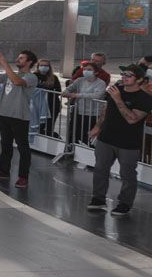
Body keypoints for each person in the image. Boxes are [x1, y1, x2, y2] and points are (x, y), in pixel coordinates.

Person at [86, 63, 152, 216]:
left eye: (129, 75)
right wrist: (98, 126)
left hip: (128, 143)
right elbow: (106, 109)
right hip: (106, 138)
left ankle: (125, 203)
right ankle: (98, 198)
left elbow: (132, 119)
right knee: (100, 169)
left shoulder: (144, 98)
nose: (124, 77)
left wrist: (118, 99)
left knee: (127, 174)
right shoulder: (117, 89)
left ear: (139, 79)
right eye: (123, 74)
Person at [0, 49, 39, 188]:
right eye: (18, 57)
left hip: (19, 115)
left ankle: (23, 176)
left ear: (29, 62)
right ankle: (4, 171)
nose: (18, 59)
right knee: (5, 144)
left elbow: (17, 82)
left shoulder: (31, 77)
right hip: (4, 113)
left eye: (21, 58)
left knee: (22, 146)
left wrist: (4, 63)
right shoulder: (9, 74)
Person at [62, 62, 107, 146]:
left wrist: (76, 95)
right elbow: (70, 88)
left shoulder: (101, 83)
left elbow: (97, 95)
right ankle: (70, 148)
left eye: (89, 70)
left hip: (93, 113)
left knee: (88, 136)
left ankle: (89, 149)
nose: (86, 71)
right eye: (84, 69)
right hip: (78, 111)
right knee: (73, 133)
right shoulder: (79, 80)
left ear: (96, 72)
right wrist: (66, 92)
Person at [34, 59, 62, 137]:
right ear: (38, 67)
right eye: (41, 65)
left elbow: (58, 90)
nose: (44, 67)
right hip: (38, 105)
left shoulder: (53, 77)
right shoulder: (34, 76)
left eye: (46, 65)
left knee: (49, 127)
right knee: (38, 126)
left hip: (52, 105)